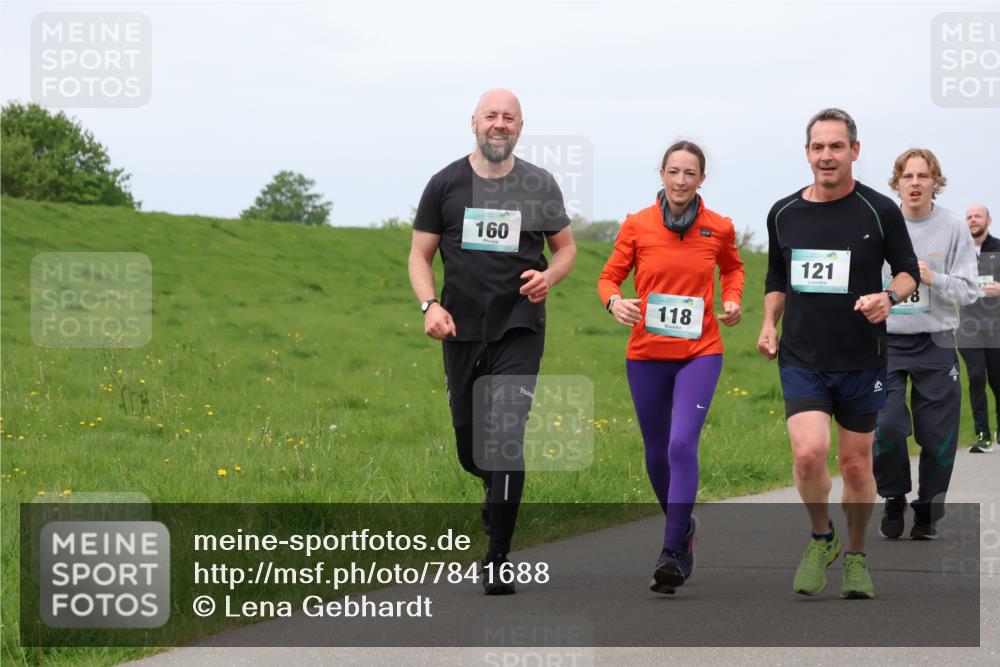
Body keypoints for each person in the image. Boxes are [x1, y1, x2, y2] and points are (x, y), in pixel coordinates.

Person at [408, 88, 576, 595]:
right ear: (474, 123)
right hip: (460, 330)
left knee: (504, 436)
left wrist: (551, 278)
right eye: (491, 116)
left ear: (520, 127)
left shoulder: (539, 183)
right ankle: (492, 488)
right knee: (470, 450)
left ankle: (498, 556)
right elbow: (419, 256)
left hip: (518, 328)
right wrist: (429, 305)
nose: (499, 124)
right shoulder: (445, 184)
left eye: (509, 117)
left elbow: (564, 250)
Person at [758, 108, 918, 599]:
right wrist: (768, 323)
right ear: (807, 152)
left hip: (861, 358)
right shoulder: (783, 212)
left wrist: (888, 298)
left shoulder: (878, 211)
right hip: (803, 357)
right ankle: (819, 537)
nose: (827, 156)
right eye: (818, 147)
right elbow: (777, 278)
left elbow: (908, 271)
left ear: (854, 150)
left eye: (836, 146)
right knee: (808, 455)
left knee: (854, 465)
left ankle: (854, 555)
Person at [598, 140, 745, 594]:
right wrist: (615, 302)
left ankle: (671, 551)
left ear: (702, 179)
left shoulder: (718, 227)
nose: (681, 181)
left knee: (682, 444)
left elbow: (733, 269)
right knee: (656, 453)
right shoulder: (637, 225)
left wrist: (733, 299)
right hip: (645, 355)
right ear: (661, 174)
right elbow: (608, 277)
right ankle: (683, 525)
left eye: (690, 173)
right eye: (674, 172)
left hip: (700, 351)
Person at [873, 148, 978, 541]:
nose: (915, 183)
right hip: (888, 343)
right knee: (887, 425)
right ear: (896, 182)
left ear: (936, 181)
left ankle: (928, 510)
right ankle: (894, 496)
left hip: (936, 341)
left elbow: (969, 291)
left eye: (923, 176)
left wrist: (933, 278)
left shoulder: (952, 227)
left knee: (938, 435)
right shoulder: (882, 221)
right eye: (907, 176)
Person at [958, 204, 1000, 452]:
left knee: (997, 380)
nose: (973, 220)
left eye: (977, 216)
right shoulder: (959, 252)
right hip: (968, 326)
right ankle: (983, 436)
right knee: (975, 377)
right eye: (969, 216)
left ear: (989, 220)